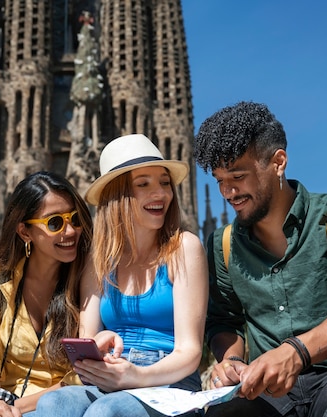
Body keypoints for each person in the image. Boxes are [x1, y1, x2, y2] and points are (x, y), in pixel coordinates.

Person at [192, 101, 327, 417]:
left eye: (238, 176)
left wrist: (296, 353)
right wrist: (232, 361)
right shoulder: (222, 244)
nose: (228, 192)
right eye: (219, 181)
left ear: (278, 162)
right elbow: (223, 321)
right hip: (267, 397)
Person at [32, 134, 209, 416]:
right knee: (54, 404)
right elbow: (88, 337)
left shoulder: (184, 248)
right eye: (143, 184)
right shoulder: (98, 259)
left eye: (165, 182)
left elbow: (190, 352)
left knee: (106, 412)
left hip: (169, 381)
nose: (161, 194)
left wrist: (136, 376)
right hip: (112, 376)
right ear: (117, 195)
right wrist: (98, 348)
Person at [0, 171, 93, 417]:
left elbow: (85, 372)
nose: (70, 231)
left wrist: (17, 406)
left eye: (75, 219)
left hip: (68, 404)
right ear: (25, 232)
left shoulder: (86, 280)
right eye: (54, 222)